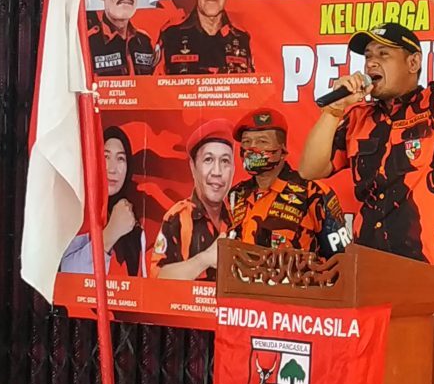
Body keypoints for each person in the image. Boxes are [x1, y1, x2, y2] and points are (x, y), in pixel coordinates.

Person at [299, 0, 434, 271]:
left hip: (428, 262)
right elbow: (309, 170)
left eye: (383, 54)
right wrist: (334, 110)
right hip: (368, 260)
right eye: (368, 56)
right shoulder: (358, 117)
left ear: (413, 62)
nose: (371, 62)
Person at [228, 108, 350, 258]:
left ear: (282, 150)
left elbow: (341, 258)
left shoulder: (313, 193)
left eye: (262, 141)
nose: (252, 148)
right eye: (246, 142)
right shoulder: (236, 194)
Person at [151, 119, 235, 281]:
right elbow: (157, 277)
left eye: (225, 161)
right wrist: (205, 259)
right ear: (193, 166)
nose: (217, 172)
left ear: (233, 169)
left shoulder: (238, 219)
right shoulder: (178, 218)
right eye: (208, 160)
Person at [60, 126, 147, 276]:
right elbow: (67, 274)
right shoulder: (77, 210)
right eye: (106, 157)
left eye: (120, 158)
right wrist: (109, 234)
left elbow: (140, 284)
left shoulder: (133, 224)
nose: (112, 169)